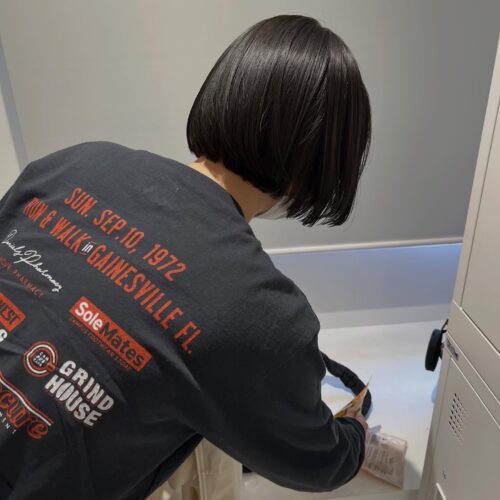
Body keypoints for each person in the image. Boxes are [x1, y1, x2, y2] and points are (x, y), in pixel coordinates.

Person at [0, 13, 370, 500]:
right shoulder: (262, 315)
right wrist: (357, 431)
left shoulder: (71, 164)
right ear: (319, 164)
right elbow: (321, 460)